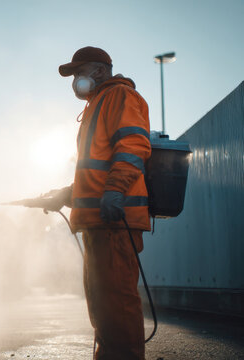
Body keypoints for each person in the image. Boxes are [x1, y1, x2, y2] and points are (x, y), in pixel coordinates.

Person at [43, 46, 151, 360]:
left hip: (114, 221)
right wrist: (67, 194)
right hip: (98, 221)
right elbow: (96, 168)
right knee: (103, 305)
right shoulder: (96, 105)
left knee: (116, 304)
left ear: (100, 71)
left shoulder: (119, 96)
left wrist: (116, 191)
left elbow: (133, 147)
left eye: (79, 72)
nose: (76, 80)